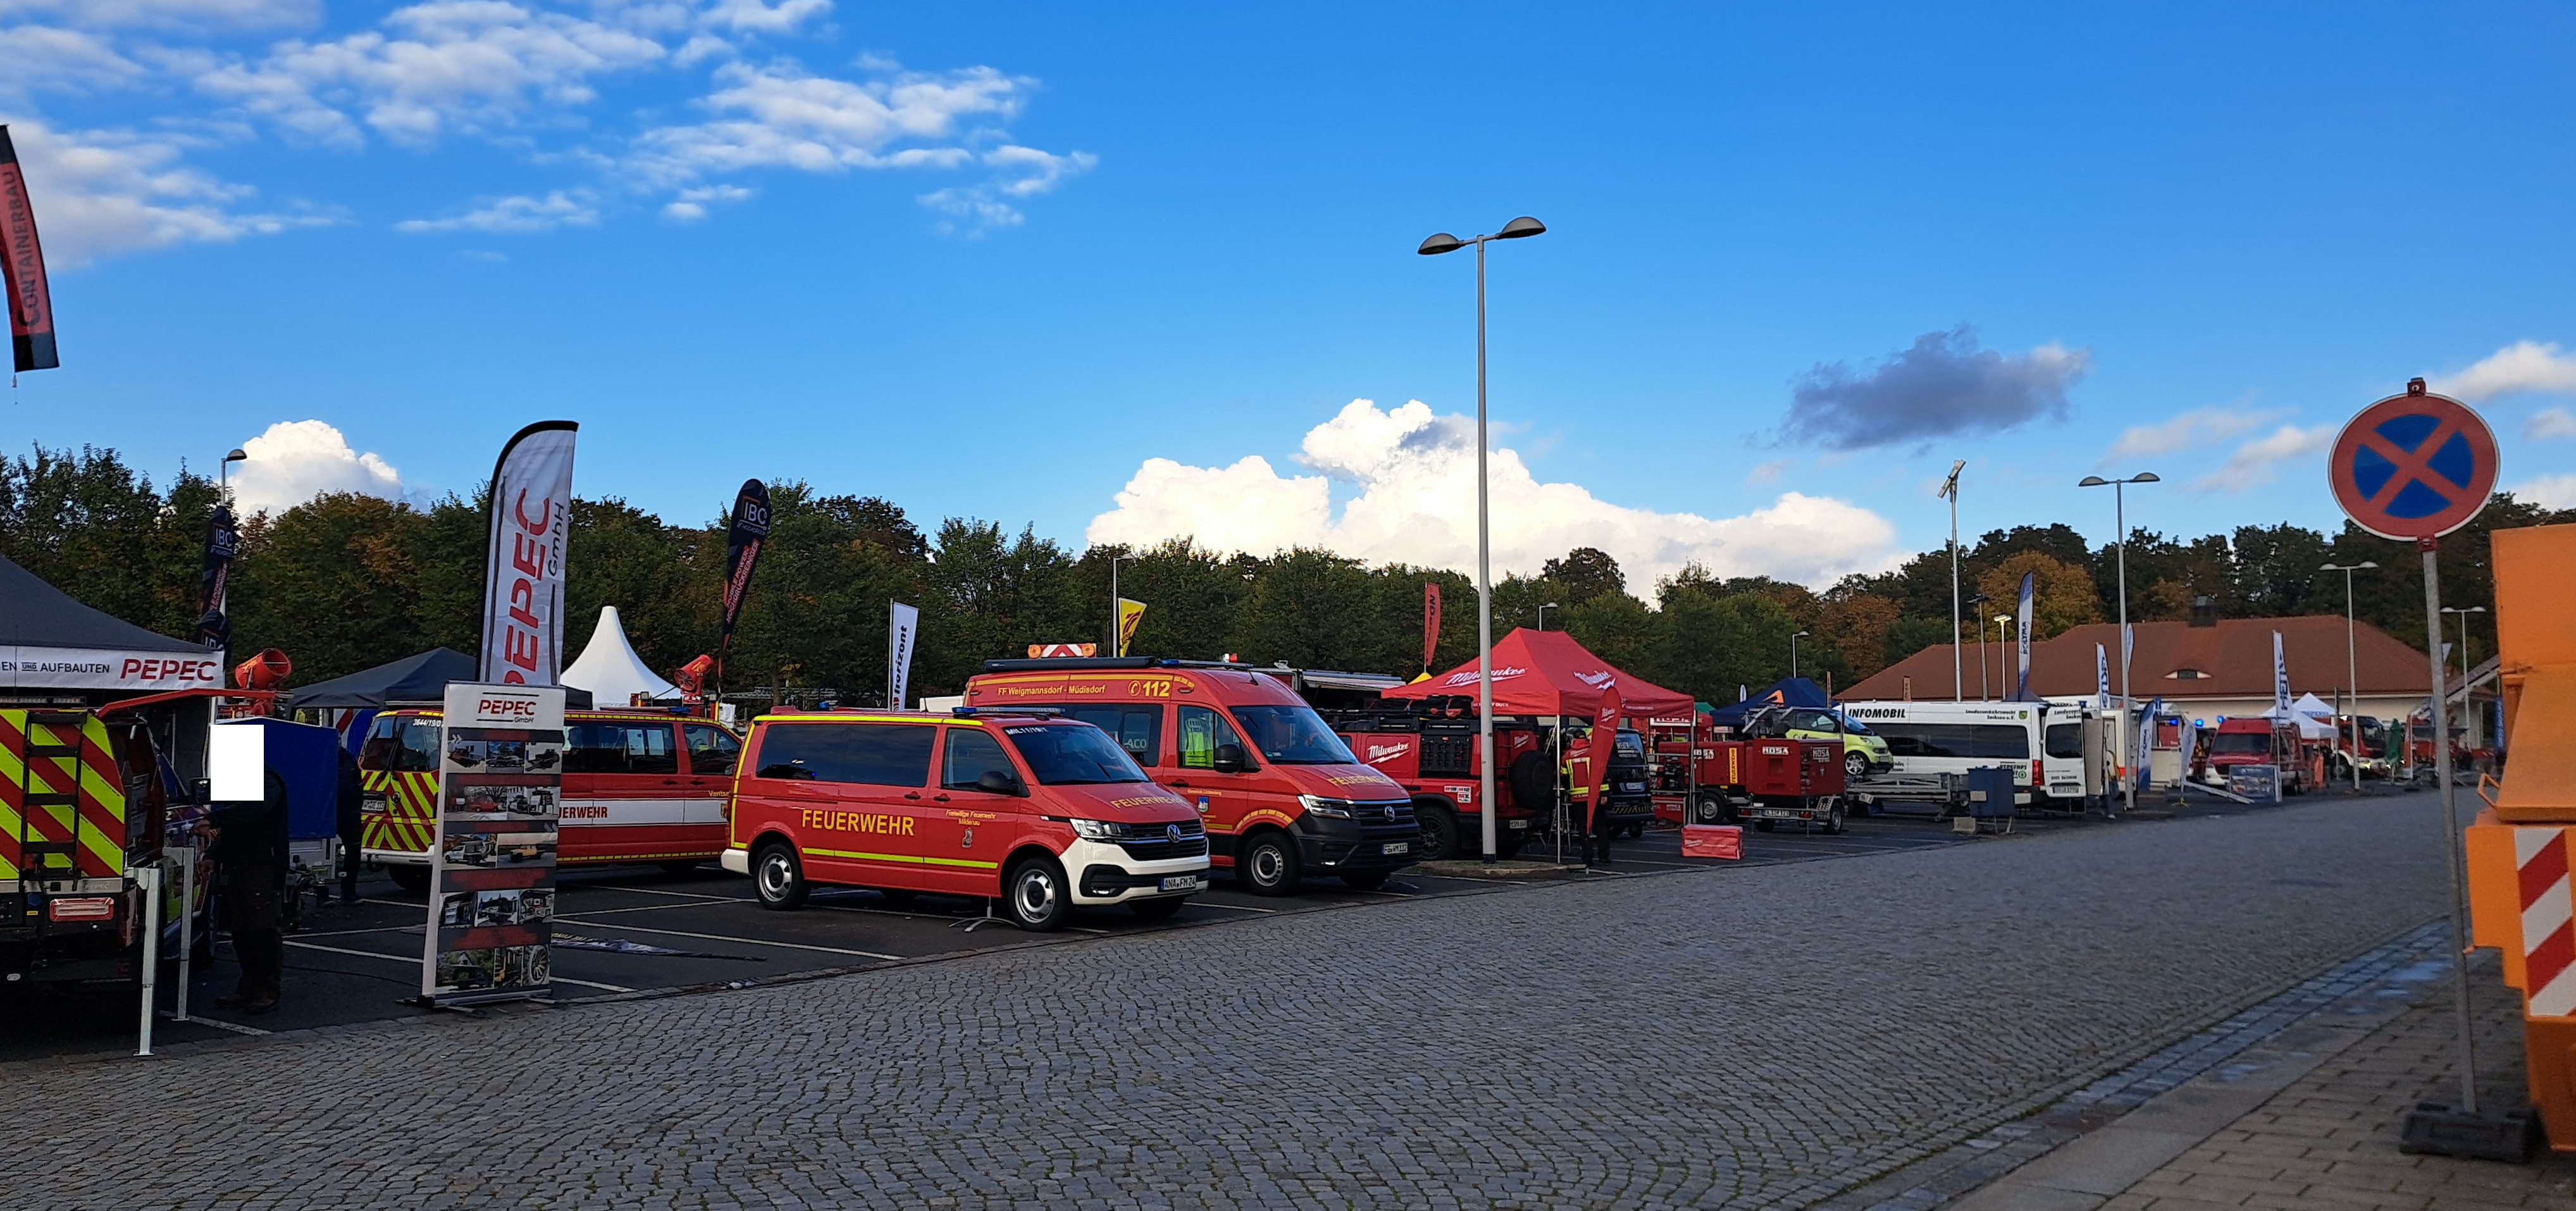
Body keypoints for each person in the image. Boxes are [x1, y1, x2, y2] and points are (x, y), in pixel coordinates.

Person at [209, 770, 290, 1014]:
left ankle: (267, 990)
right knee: (241, 930)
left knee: (262, 928)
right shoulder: (240, 782)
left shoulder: (268, 781)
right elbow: (232, 826)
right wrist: (213, 855)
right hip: (240, 864)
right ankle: (248, 987)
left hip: (263, 864)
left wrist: (214, 819)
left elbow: (253, 810)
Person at [335, 746, 364, 904]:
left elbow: (357, 786)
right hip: (332, 810)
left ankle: (348, 891)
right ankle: (323, 893)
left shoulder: (348, 758)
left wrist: (356, 809)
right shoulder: (343, 758)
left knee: (353, 851)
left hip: (348, 812)